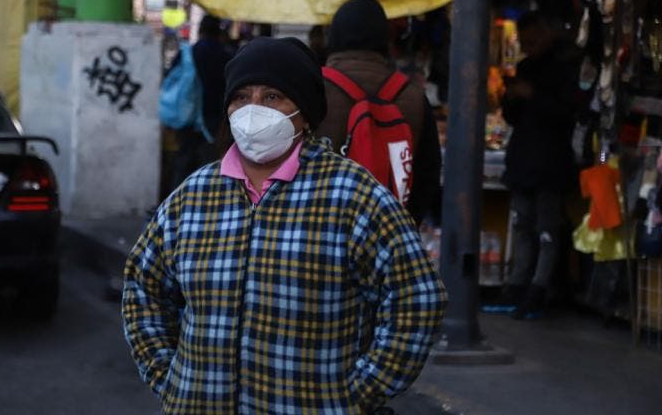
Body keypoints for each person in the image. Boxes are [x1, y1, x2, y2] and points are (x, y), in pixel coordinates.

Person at [122, 36, 446, 414]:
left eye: (273, 97)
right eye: (241, 97)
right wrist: (169, 378)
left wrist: (358, 394)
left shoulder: (352, 195)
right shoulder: (193, 195)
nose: (253, 110)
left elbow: (417, 297)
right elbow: (143, 286)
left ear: (305, 113)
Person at [316, 0, 442, 225]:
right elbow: (428, 173)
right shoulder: (412, 96)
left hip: (322, 229)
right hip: (388, 230)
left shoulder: (313, 88)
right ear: (385, 38)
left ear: (333, 35)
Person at [500, 11, 579, 319]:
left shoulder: (565, 66)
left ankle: (538, 287)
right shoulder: (525, 67)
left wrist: (531, 95)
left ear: (547, 34)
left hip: (550, 164)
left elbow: (567, 113)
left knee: (545, 229)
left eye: (534, 40)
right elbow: (511, 117)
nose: (530, 46)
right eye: (526, 41)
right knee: (523, 225)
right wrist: (513, 97)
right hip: (524, 162)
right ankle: (519, 284)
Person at [167, 14, 233, 194]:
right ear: (218, 32)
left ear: (201, 30)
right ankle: (204, 202)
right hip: (213, 117)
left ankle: (176, 201)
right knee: (210, 166)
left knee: (182, 161)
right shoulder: (225, 56)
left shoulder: (187, 53)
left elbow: (171, 81)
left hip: (186, 116)